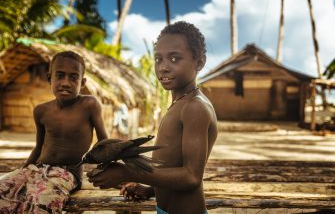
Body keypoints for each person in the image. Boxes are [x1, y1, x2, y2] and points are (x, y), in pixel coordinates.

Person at [87, 21, 218, 214]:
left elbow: (191, 177)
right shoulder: (180, 103)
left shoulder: (194, 107)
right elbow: (173, 166)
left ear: (199, 62)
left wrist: (127, 172)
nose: (163, 67)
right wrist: (150, 190)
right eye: (158, 59)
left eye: (174, 59)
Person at [0, 51, 108, 213]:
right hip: (37, 168)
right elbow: (39, 147)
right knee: (3, 190)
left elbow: (103, 143)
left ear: (82, 82)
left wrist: (107, 170)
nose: (66, 83)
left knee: (42, 203)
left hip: (68, 173)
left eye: (73, 77)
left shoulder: (89, 105)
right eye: (60, 76)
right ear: (49, 78)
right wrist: (23, 171)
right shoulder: (41, 111)